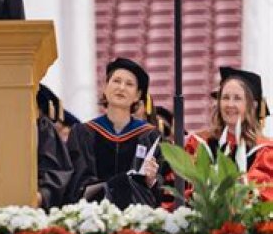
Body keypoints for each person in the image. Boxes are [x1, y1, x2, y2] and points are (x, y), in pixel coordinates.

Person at [65, 58, 162, 209]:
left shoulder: (150, 136)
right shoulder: (83, 133)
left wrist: (152, 181)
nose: (121, 88)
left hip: (137, 218)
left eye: (129, 84)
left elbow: (164, 190)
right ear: (105, 88)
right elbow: (77, 184)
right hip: (94, 216)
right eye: (116, 81)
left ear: (137, 95)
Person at [185, 67, 273, 201]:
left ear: (253, 105)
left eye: (237, 98)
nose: (230, 104)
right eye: (225, 98)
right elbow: (183, 192)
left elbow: (266, 198)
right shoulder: (199, 143)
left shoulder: (266, 151)